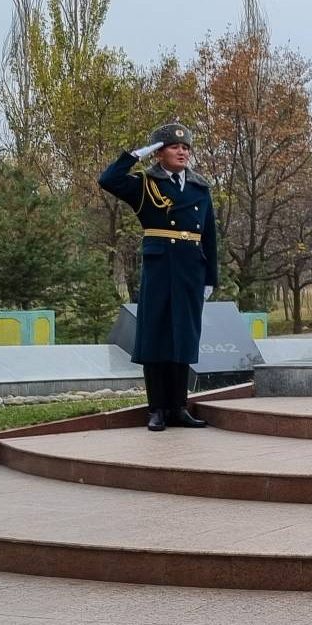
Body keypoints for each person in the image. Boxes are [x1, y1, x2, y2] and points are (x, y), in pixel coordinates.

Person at [97, 123, 220, 432]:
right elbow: (108, 179)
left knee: (184, 338)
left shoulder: (199, 188)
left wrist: (210, 278)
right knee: (156, 338)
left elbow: (210, 237)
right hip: (160, 268)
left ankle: (179, 407)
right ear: (159, 152)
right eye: (174, 146)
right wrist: (138, 154)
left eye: (186, 148)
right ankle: (157, 410)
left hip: (191, 270)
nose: (182, 151)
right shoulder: (144, 184)